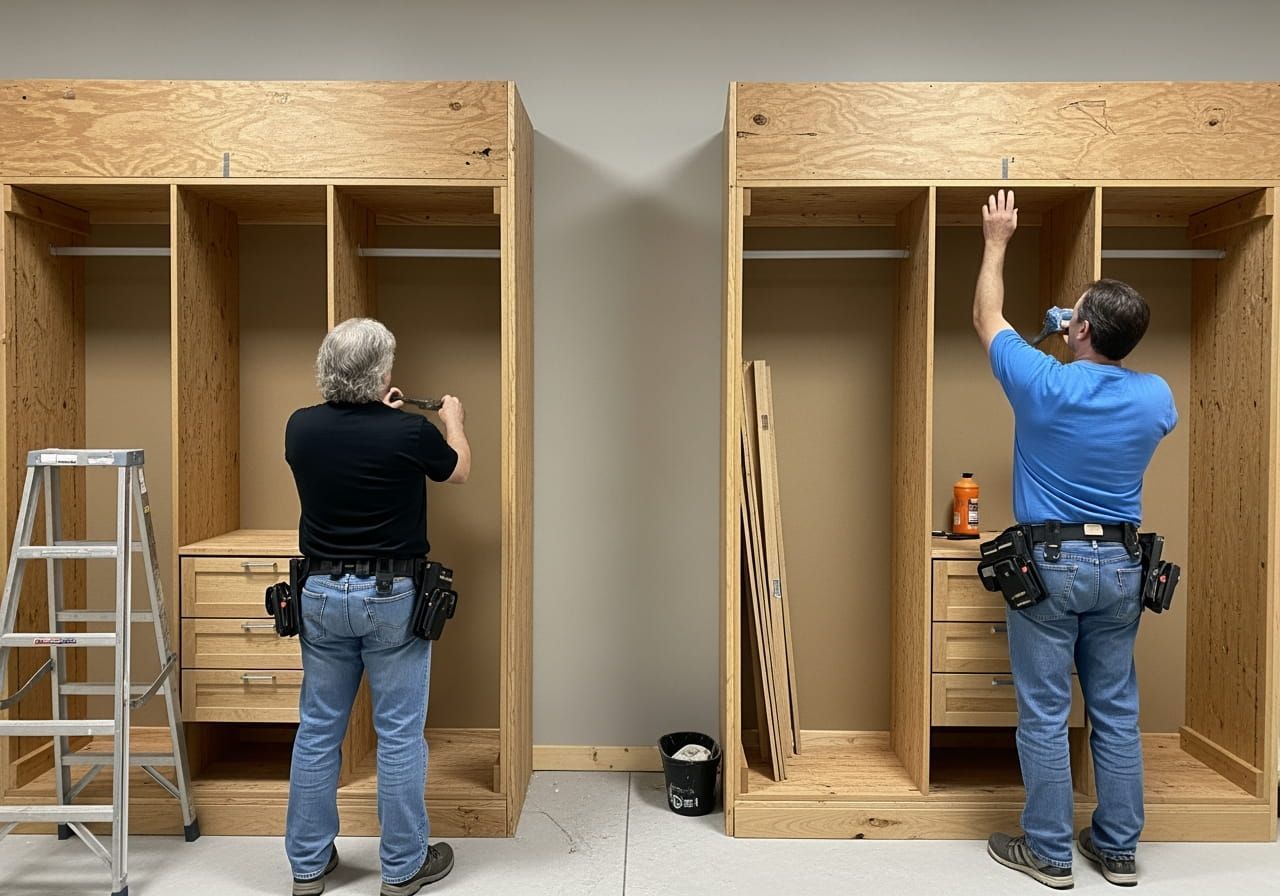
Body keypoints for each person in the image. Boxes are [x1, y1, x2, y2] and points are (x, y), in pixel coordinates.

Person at [974, 191, 1177, 889]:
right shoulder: (1157, 396)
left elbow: (988, 317)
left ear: (1081, 327)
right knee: (1115, 710)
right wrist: (1083, 332)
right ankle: (1117, 851)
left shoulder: (1043, 383)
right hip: (1122, 567)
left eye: (1077, 314)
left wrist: (997, 241)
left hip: (1050, 566)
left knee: (1045, 712)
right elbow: (1115, 371)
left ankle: (1050, 854)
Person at [283, 317, 471, 896]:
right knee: (399, 735)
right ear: (382, 373)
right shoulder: (409, 433)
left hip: (318, 594)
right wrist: (453, 421)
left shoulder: (300, 427)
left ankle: (308, 867)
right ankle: (403, 866)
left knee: (318, 730)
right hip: (391, 598)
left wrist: (378, 410)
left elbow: (350, 440)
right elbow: (459, 470)